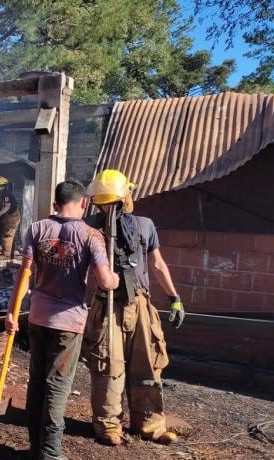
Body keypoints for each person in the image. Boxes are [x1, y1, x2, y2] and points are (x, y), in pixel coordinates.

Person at [5, 180, 119, 460]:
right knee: (56, 386)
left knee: (37, 382)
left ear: (56, 202)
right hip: (68, 323)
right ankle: (51, 453)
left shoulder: (37, 229)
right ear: (84, 203)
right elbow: (105, 281)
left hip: (37, 316)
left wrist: (11, 311)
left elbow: (24, 273)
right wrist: (114, 279)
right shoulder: (91, 235)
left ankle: (36, 447)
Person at [82, 169, 186, 446]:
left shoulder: (144, 226)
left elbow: (157, 263)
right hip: (106, 306)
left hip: (139, 303)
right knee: (108, 365)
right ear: (126, 194)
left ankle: (151, 425)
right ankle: (108, 426)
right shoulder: (91, 228)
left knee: (147, 364)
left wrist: (173, 297)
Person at [0, 176, 22, 259]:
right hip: (10, 216)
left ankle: (5, 255)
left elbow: (7, 207)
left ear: (1, 186)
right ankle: (10, 255)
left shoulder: (7, 195)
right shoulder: (4, 193)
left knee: (7, 235)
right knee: (10, 236)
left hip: (13, 217)